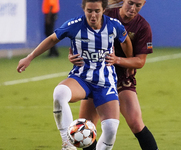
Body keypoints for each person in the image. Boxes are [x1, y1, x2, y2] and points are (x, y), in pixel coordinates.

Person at [17, 0, 133, 150]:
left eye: (97, 11)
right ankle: (67, 143)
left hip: (105, 82)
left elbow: (126, 42)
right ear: (84, 9)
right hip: (81, 78)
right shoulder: (74, 25)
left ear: (103, 10)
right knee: (60, 92)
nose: (93, 15)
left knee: (111, 128)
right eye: (89, 10)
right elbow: (52, 39)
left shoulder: (114, 25)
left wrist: (126, 62)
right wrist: (29, 57)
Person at [69, 0, 159, 150]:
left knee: (136, 123)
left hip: (122, 77)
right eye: (130, 3)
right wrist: (71, 54)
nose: (133, 8)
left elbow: (140, 61)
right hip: (96, 76)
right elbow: (81, 33)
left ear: (144, 4)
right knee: (86, 126)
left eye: (138, 5)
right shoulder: (106, 13)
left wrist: (118, 60)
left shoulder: (143, 27)